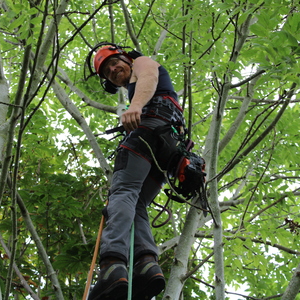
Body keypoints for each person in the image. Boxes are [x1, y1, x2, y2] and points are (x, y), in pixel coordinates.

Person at [88, 43, 184, 300]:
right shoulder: (132, 83)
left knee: (122, 192)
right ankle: (146, 264)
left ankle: (112, 265)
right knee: (137, 202)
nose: (113, 69)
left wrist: (136, 106)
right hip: (168, 147)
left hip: (150, 131)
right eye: (108, 71)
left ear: (127, 58)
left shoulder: (141, 63)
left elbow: (150, 77)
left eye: (115, 63)